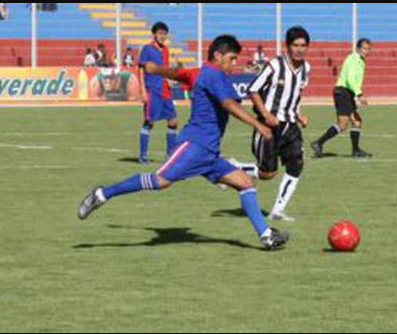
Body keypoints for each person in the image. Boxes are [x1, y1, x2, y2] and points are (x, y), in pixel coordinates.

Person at [78, 35, 289, 251]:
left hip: (209, 153)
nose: (235, 64)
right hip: (194, 146)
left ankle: (265, 235)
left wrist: (155, 69)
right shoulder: (213, 74)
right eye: (232, 58)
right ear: (217, 56)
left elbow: (179, 74)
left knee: (245, 183)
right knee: (161, 180)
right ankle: (103, 194)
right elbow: (227, 104)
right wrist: (258, 125)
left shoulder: (202, 73)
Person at [229, 26, 312, 222]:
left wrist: (299, 114)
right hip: (269, 127)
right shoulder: (275, 65)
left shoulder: (306, 69)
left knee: (296, 165)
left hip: (291, 126)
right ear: (288, 46)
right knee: (267, 173)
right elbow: (253, 89)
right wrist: (266, 115)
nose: (300, 49)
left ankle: (278, 210)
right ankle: (233, 168)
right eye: (296, 45)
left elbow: (297, 94)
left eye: (303, 45)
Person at [311, 38, 373, 159]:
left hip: (347, 93)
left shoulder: (360, 60)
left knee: (357, 121)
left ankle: (356, 150)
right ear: (358, 48)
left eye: (368, 49)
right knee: (342, 124)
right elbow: (350, 78)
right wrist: (359, 94)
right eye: (364, 48)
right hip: (342, 92)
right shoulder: (353, 59)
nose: (367, 51)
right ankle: (318, 143)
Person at [138, 22, 178, 163]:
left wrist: (170, 78)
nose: (162, 36)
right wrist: (143, 90)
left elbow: (164, 69)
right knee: (149, 121)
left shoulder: (166, 50)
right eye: (159, 34)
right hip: (152, 89)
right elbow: (141, 69)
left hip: (165, 89)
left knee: (173, 120)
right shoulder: (147, 49)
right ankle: (143, 156)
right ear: (154, 34)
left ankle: (170, 155)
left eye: (164, 34)